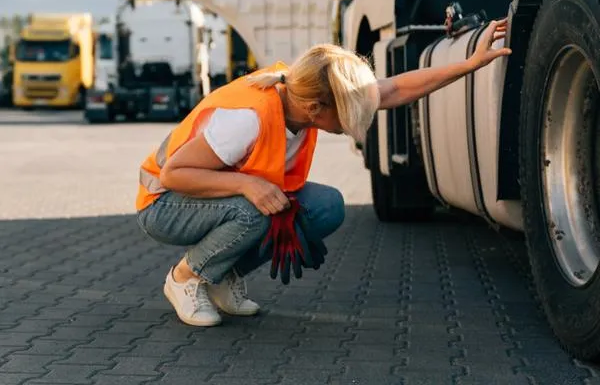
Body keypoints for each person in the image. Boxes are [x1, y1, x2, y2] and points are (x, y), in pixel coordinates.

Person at [136, 18, 510, 327]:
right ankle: (186, 278)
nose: (352, 122)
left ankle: (223, 274)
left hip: (212, 194)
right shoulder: (246, 120)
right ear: (316, 109)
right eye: (346, 114)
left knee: (324, 206)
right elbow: (173, 174)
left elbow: (394, 88)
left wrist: (468, 65)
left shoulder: (305, 94)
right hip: (166, 204)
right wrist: (248, 184)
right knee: (253, 211)